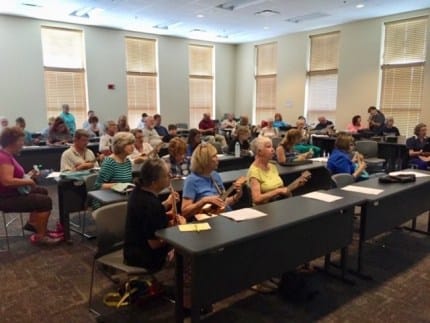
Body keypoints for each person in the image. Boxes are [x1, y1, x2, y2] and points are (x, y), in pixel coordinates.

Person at [0, 127, 62, 244]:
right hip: (6, 198)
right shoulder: (3, 157)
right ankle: (41, 236)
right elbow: (7, 181)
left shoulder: (7, 155)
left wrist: (28, 176)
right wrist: (29, 181)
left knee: (41, 191)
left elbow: (14, 177)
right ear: (12, 142)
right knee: (45, 201)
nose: (23, 144)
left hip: (13, 193)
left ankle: (32, 223)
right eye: (21, 141)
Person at [124, 158, 185, 270]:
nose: (170, 176)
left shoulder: (138, 191)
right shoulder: (150, 204)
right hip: (144, 256)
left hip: (132, 247)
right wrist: (178, 227)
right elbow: (155, 243)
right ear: (154, 182)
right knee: (185, 248)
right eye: (166, 175)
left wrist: (166, 204)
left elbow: (151, 217)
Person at [181, 143, 242, 220]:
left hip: (224, 216)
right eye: (214, 156)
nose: (217, 159)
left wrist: (236, 196)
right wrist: (204, 201)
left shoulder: (215, 175)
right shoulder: (191, 180)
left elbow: (223, 202)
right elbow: (185, 212)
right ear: (205, 160)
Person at [247, 136, 309, 205]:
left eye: (272, 146)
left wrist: (296, 184)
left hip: (278, 204)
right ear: (259, 152)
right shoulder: (254, 172)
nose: (273, 149)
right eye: (268, 147)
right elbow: (257, 199)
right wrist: (277, 191)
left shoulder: (272, 166)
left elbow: (282, 189)